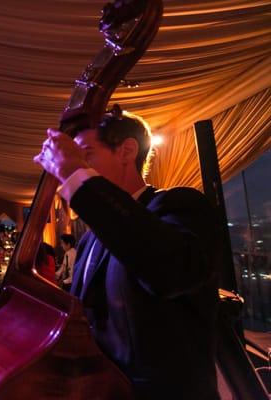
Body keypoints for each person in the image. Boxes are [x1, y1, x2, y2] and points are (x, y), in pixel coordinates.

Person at [34, 107, 221, 399]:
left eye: (85, 154)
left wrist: (75, 175)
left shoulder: (177, 206)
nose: (74, 167)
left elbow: (169, 272)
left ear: (126, 151)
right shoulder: (89, 239)